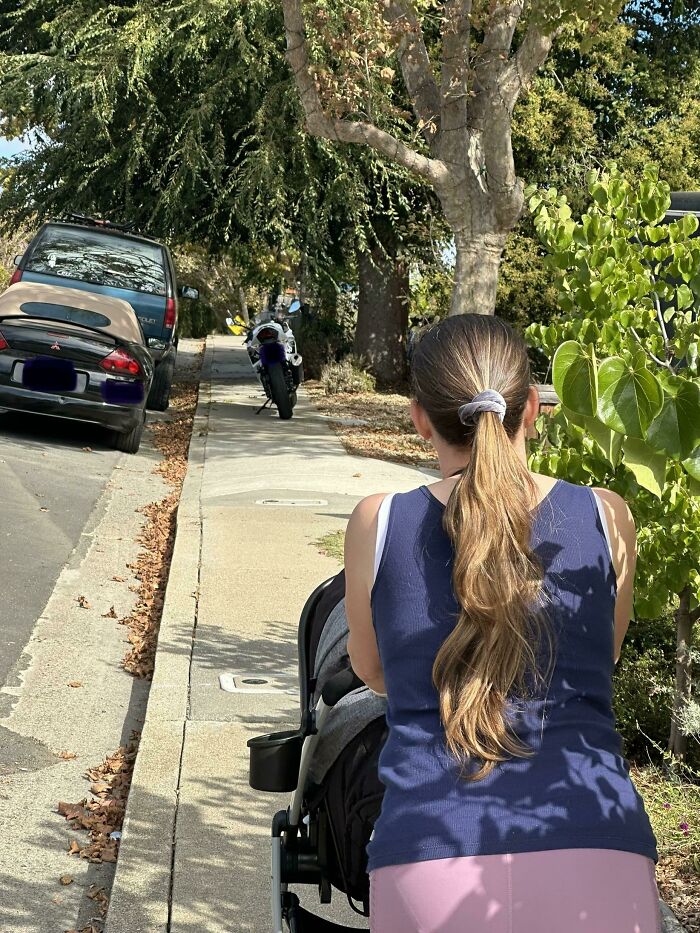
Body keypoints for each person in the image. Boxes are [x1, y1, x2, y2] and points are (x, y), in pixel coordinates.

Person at [344, 314, 660, 933]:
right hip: (599, 850)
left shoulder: (377, 523)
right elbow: (603, 657)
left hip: (429, 858)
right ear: (532, 412)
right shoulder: (606, 515)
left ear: (418, 417)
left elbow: (374, 670)